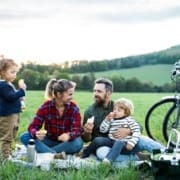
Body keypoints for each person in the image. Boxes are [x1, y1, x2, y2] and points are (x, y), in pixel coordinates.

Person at [82, 77, 165, 162]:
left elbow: (138, 126)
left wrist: (128, 131)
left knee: (144, 140)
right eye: (94, 90)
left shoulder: (119, 106)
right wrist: (87, 132)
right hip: (106, 145)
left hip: (126, 143)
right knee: (101, 154)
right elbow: (86, 139)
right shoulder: (89, 111)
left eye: (99, 91)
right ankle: (137, 158)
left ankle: (169, 154)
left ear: (109, 93)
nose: (95, 94)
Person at [20, 78, 83, 157]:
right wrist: (35, 133)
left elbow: (78, 129)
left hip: (66, 143)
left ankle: (46, 152)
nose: (72, 97)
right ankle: (54, 155)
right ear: (59, 94)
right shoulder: (45, 107)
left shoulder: (74, 108)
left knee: (78, 142)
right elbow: (33, 126)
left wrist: (69, 135)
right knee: (24, 136)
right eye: (70, 94)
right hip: (49, 140)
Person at [82, 97, 141, 164]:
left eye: (119, 110)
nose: (115, 111)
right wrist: (107, 120)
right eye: (114, 109)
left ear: (126, 113)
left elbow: (137, 131)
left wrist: (131, 143)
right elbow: (102, 130)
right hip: (111, 141)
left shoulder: (129, 120)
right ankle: (85, 153)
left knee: (119, 142)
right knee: (97, 140)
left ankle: (108, 161)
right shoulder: (112, 119)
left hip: (124, 144)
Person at [0, 58, 26, 161]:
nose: (15, 74)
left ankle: (9, 152)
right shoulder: (2, 85)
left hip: (13, 114)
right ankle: (5, 157)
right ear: (2, 72)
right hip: (7, 116)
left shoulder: (8, 84)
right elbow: (10, 97)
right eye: (12, 72)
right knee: (6, 136)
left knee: (12, 133)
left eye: (16, 72)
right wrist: (22, 90)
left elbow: (12, 97)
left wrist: (20, 97)